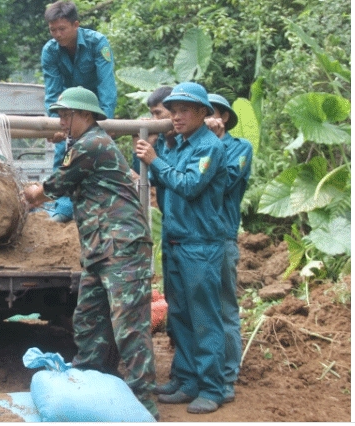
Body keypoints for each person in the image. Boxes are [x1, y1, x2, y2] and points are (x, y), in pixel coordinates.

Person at [23, 87, 158, 419]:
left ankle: (145, 405)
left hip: (122, 246)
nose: (61, 121)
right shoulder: (84, 144)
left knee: (129, 327)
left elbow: (52, 187)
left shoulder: (91, 145)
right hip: (101, 247)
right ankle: (89, 387)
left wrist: (31, 194)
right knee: (87, 319)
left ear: (84, 116)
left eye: (65, 115)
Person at [135, 82, 228, 414]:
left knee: (204, 318)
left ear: (203, 113)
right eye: (172, 111)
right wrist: (149, 161)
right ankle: (186, 379)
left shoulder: (209, 148)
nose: (176, 117)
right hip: (175, 242)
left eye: (184, 110)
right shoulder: (175, 146)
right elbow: (161, 179)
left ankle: (213, 388)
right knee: (180, 317)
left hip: (200, 245)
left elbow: (189, 185)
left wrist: (156, 161)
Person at [41, 0, 117, 222]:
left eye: (62, 29)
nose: (57, 34)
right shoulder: (50, 51)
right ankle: (63, 206)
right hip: (67, 111)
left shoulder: (98, 43)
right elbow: (52, 90)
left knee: (98, 156)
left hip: (93, 112)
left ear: (76, 24)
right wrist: (56, 123)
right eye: (52, 30)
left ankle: (100, 206)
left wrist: (106, 123)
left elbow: (107, 87)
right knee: (62, 154)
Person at [206, 93, 253, 404]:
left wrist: (215, 144)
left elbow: (229, 178)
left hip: (222, 236)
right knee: (197, 308)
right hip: (194, 237)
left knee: (224, 308)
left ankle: (226, 377)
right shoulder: (190, 145)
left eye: (217, 115)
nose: (213, 120)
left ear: (224, 119)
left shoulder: (239, 148)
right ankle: (201, 373)